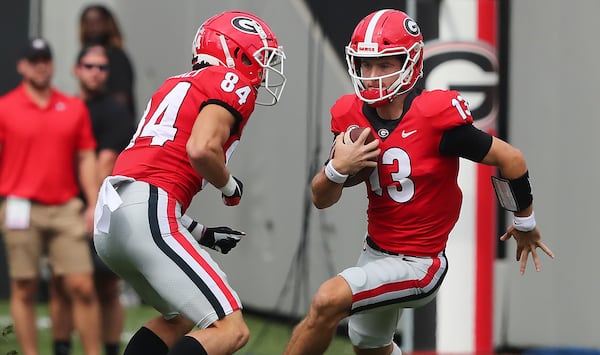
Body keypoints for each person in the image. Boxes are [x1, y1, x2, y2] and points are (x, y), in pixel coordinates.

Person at [283, 9, 554, 355]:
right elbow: (321, 198)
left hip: (420, 263)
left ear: (410, 65)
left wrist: (525, 221)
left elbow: (510, 159)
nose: (372, 75)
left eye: (384, 65)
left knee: (326, 301)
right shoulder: (349, 115)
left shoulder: (432, 116)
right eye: (365, 65)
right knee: (370, 348)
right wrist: (339, 168)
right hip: (374, 253)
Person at [92, 10, 286, 355]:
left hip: (112, 218)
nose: (262, 70)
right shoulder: (231, 82)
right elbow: (201, 149)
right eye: (259, 57)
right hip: (146, 211)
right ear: (235, 53)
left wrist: (204, 233)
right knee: (231, 329)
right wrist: (230, 188)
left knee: (180, 317)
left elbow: (146, 192)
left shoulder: (174, 85)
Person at [0, 37, 101, 355]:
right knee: (24, 287)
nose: (40, 65)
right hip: (20, 207)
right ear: (22, 65)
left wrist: (93, 201)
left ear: (53, 64)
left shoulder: (73, 108)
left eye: (45, 59)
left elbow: (86, 156)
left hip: (65, 207)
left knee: (83, 286)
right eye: (33, 59)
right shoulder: (4, 108)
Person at [49, 44, 136, 355]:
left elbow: (105, 164)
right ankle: (61, 347)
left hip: (101, 208)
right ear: (76, 69)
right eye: (89, 66)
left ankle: (109, 350)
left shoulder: (116, 112)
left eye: (102, 67)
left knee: (105, 287)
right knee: (62, 283)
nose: (96, 72)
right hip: (63, 205)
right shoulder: (65, 108)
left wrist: (93, 208)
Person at [79, 4, 136, 116]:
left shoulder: (117, 56)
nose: (93, 27)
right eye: (88, 66)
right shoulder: (84, 52)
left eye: (97, 22)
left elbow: (122, 99)